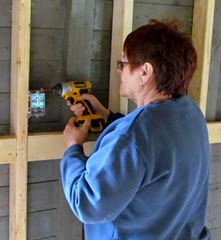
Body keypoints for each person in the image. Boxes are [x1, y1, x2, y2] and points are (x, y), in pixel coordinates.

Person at [60, 19, 210, 240]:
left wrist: (73, 149)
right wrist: (106, 116)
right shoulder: (190, 113)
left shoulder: (134, 137)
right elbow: (148, 150)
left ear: (145, 72)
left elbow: (88, 204)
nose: (119, 71)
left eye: (124, 63)